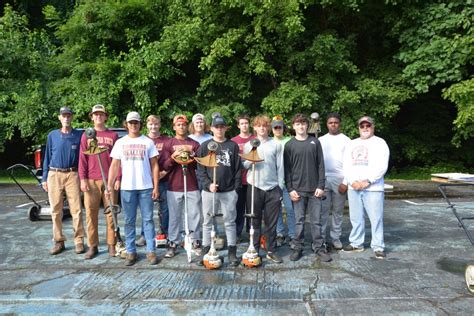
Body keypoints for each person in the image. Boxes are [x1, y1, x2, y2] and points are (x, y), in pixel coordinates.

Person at [107, 111, 160, 266]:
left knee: (148, 220)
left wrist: (155, 186)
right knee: (129, 221)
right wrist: (109, 185)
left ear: (140, 124)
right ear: (127, 124)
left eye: (136, 122)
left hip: (145, 187)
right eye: (131, 123)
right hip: (127, 187)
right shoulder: (120, 143)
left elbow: (155, 165)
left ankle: (151, 251)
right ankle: (131, 252)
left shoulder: (148, 142)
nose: (133, 125)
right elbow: (114, 165)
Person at [284, 113, 331, 262]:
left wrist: (321, 185)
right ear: (293, 126)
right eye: (298, 124)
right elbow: (287, 170)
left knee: (316, 221)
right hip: (297, 190)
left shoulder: (315, 142)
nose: (301, 126)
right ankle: (297, 247)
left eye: (303, 123)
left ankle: (319, 247)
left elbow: (321, 165)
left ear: (307, 125)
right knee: (299, 220)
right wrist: (290, 189)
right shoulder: (289, 145)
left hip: (314, 190)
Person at [196, 115, 242, 267]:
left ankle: (232, 252)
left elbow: (237, 169)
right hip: (209, 192)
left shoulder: (232, 146)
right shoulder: (205, 146)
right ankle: (206, 250)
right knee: (207, 221)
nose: (219, 129)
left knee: (230, 221)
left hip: (229, 191)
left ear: (226, 128)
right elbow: (201, 170)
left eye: (222, 126)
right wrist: (208, 184)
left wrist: (235, 189)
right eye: (217, 127)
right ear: (211, 128)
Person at [342, 116, 390, 259]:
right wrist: (351, 181)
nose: (365, 128)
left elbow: (382, 166)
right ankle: (356, 243)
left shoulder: (380, 143)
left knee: (376, 218)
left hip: (373, 188)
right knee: (356, 217)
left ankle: (378, 246)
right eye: (362, 126)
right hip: (354, 187)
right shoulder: (351, 143)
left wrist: (368, 181)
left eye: (367, 125)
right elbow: (345, 165)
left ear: (373, 127)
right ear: (358, 128)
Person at [78, 104, 120, 259]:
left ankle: (111, 244)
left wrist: (118, 178)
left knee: (111, 213)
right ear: (92, 117)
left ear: (105, 116)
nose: (98, 117)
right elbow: (82, 159)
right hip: (91, 180)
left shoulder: (113, 135)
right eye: (95, 114)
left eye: (101, 114)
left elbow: (118, 159)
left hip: (109, 179)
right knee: (90, 214)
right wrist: (82, 179)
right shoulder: (86, 135)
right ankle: (93, 246)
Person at [42, 106, 85, 255]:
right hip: (54, 173)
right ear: (59, 118)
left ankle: (79, 240)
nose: (66, 118)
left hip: (72, 174)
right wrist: (45, 177)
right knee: (55, 210)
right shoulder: (52, 135)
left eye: (68, 115)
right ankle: (59, 241)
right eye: (63, 116)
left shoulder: (79, 135)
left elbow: (84, 155)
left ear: (72, 117)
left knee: (77, 210)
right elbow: (46, 156)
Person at [242, 115, 284, 263]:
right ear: (255, 128)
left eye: (265, 126)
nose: (262, 128)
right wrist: (251, 157)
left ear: (268, 128)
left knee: (271, 223)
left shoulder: (276, 144)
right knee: (254, 220)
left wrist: (280, 187)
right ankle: (253, 249)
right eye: (259, 126)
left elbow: (281, 167)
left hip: (272, 188)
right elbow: (244, 166)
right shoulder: (249, 145)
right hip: (254, 187)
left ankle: (271, 250)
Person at [161, 114, 202, 258]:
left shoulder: (194, 144)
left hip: (192, 183)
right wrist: (173, 158)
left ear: (187, 126)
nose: (181, 127)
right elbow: (164, 165)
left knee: (194, 214)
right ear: (174, 127)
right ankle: (173, 242)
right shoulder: (169, 143)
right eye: (178, 125)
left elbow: (200, 165)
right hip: (174, 185)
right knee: (174, 216)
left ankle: (195, 240)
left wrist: (192, 156)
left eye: (184, 124)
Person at [136, 115, 170, 247]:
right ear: (146, 125)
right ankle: (145, 235)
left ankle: (165, 233)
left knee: (165, 209)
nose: (153, 127)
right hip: (147, 180)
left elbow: (170, 160)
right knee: (146, 209)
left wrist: (164, 172)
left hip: (164, 178)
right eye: (150, 124)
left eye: (156, 124)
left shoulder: (167, 140)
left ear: (160, 125)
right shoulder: (142, 140)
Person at [319, 113, 351, 251]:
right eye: (330, 122)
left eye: (336, 122)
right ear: (327, 124)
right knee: (323, 212)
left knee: (338, 212)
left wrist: (346, 181)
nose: (333, 125)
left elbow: (351, 163)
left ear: (339, 124)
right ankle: (320, 238)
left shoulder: (347, 140)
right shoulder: (320, 140)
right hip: (324, 179)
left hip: (340, 179)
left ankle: (335, 238)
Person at [272, 115, 296, 246]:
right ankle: (279, 233)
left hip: (288, 181)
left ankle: (292, 235)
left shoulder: (290, 141)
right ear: (272, 129)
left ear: (283, 128)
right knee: (276, 210)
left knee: (290, 209)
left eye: (280, 127)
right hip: (274, 182)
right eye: (275, 127)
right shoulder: (269, 142)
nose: (277, 129)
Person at [231, 114, 255, 241]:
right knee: (238, 208)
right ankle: (238, 232)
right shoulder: (234, 141)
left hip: (253, 179)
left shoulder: (256, 139)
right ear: (238, 125)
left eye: (246, 123)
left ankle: (251, 232)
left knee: (252, 208)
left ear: (249, 124)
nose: (244, 125)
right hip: (239, 179)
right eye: (242, 123)